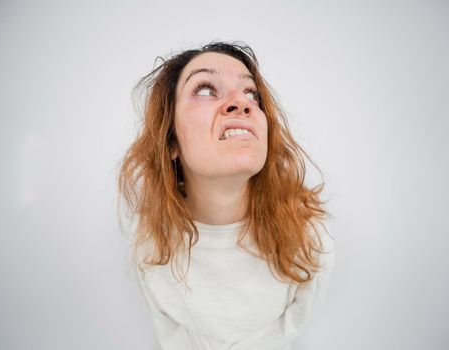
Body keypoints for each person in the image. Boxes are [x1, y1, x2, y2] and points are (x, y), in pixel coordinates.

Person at [117, 41, 336, 350]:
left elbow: (293, 327)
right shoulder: (147, 240)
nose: (242, 104)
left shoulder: (310, 236)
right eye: (206, 89)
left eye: (251, 94)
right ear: (171, 142)